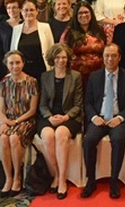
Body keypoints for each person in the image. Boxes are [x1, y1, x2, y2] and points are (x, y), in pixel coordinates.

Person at [82, 43, 125, 199]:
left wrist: (119, 118)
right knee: (88, 141)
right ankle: (90, 180)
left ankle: (114, 181)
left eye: (113, 55)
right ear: (102, 57)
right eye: (107, 55)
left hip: (118, 118)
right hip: (99, 118)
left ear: (119, 57)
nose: (110, 59)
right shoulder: (94, 76)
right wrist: (94, 118)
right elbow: (88, 102)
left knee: (119, 140)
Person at [34, 44, 83, 200]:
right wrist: (49, 117)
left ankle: (62, 179)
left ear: (68, 59)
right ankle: (55, 174)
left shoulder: (75, 76)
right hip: (48, 117)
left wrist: (65, 117)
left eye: (64, 57)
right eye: (58, 57)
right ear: (52, 59)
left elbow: (78, 105)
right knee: (48, 136)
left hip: (70, 117)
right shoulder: (45, 76)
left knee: (61, 133)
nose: (61, 60)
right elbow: (42, 104)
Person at [0, 50, 38, 197]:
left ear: (23, 63)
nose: (15, 66)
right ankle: (8, 178)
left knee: (13, 138)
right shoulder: (4, 82)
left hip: (25, 120)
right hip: (7, 120)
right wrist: (4, 122)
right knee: (4, 138)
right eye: (11, 63)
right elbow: (1, 110)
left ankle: (18, 177)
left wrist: (15, 122)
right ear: (6, 64)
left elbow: (32, 110)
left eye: (17, 62)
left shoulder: (32, 82)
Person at [61, 2, 107, 86]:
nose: (84, 15)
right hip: (76, 75)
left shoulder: (99, 30)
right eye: (80, 13)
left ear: (91, 14)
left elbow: (105, 50)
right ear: (76, 15)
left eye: (86, 12)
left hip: (98, 73)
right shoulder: (69, 32)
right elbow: (63, 51)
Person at [9, 0, 55, 83]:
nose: (29, 12)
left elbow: (51, 50)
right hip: (22, 71)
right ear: (21, 12)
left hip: (41, 70)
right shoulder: (16, 29)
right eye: (26, 10)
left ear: (37, 12)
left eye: (31, 10)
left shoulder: (46, 27)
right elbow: (13, 51)